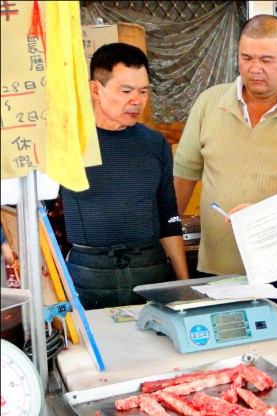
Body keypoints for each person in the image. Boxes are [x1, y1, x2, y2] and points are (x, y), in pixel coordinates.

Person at [173, 15, 277, 325]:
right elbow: (183, 178)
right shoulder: (209, 104)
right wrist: (169, 237)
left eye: (267, 59)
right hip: (217, 271)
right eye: (247, 58)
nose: (255, 68)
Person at [60, 43, 189, 310]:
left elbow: (169, 216)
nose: (136, 100)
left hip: (151, 269)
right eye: (126, 91)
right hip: (87, 272)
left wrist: (183, 284)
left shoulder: (155, 145)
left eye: (143, 91)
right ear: (96, 89)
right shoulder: (68, 144)